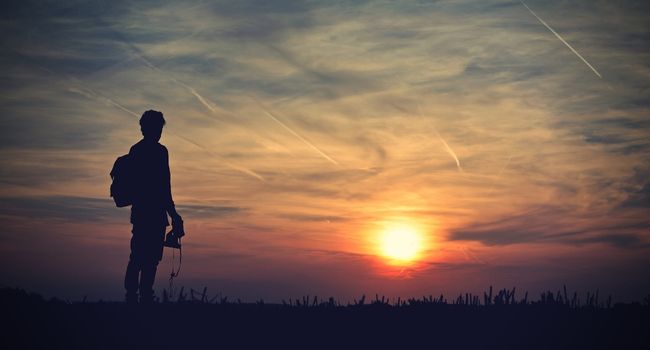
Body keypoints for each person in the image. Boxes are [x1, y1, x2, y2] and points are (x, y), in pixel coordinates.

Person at [124, 110, 183, 304]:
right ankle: (142, 297)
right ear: (148, 128)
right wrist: (173, 214)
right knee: (147, 258)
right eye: (158, 127)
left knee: (141, 257)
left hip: (143, 213)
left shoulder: (136, 150)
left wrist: (173, 214)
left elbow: (162, 186)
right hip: (153, 213)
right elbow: (164, 186)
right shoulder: (159, 152)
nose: (159, 132)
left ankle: (135, 297)